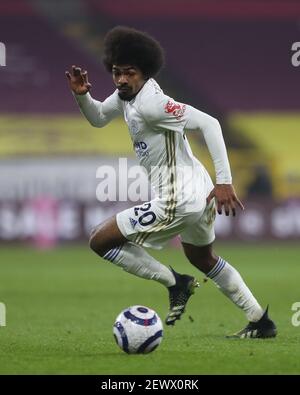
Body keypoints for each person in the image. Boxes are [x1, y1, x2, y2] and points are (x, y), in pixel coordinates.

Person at [66, 26, 276, 338]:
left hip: (181, 199)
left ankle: (175, 283)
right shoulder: (126, 96)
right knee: (202, 257)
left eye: (129, 73)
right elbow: (98, 117)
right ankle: (260, 321)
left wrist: (226, 182)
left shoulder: (153, 104)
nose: (122, 79)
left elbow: (210, 124)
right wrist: (82, 95)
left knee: (100, 239)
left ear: (144, 72)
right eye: (116, 72)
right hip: (198, 192)